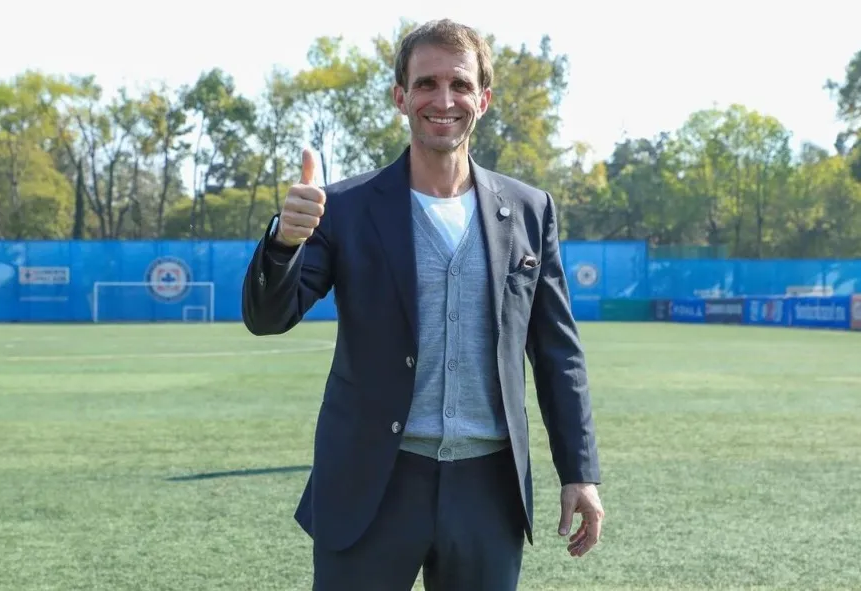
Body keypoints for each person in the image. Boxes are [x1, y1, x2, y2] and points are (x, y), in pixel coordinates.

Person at [242, 18, 604, 591]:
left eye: (460, 85)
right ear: (400, 97)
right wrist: (285, 241)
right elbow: (267, 318)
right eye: (426, 84)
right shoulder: (345, 208)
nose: (444, 100)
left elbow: (559, 353)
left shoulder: (530, 211)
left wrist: (579, 472)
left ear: (483, 100)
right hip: (372, 483)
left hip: (489, 489)